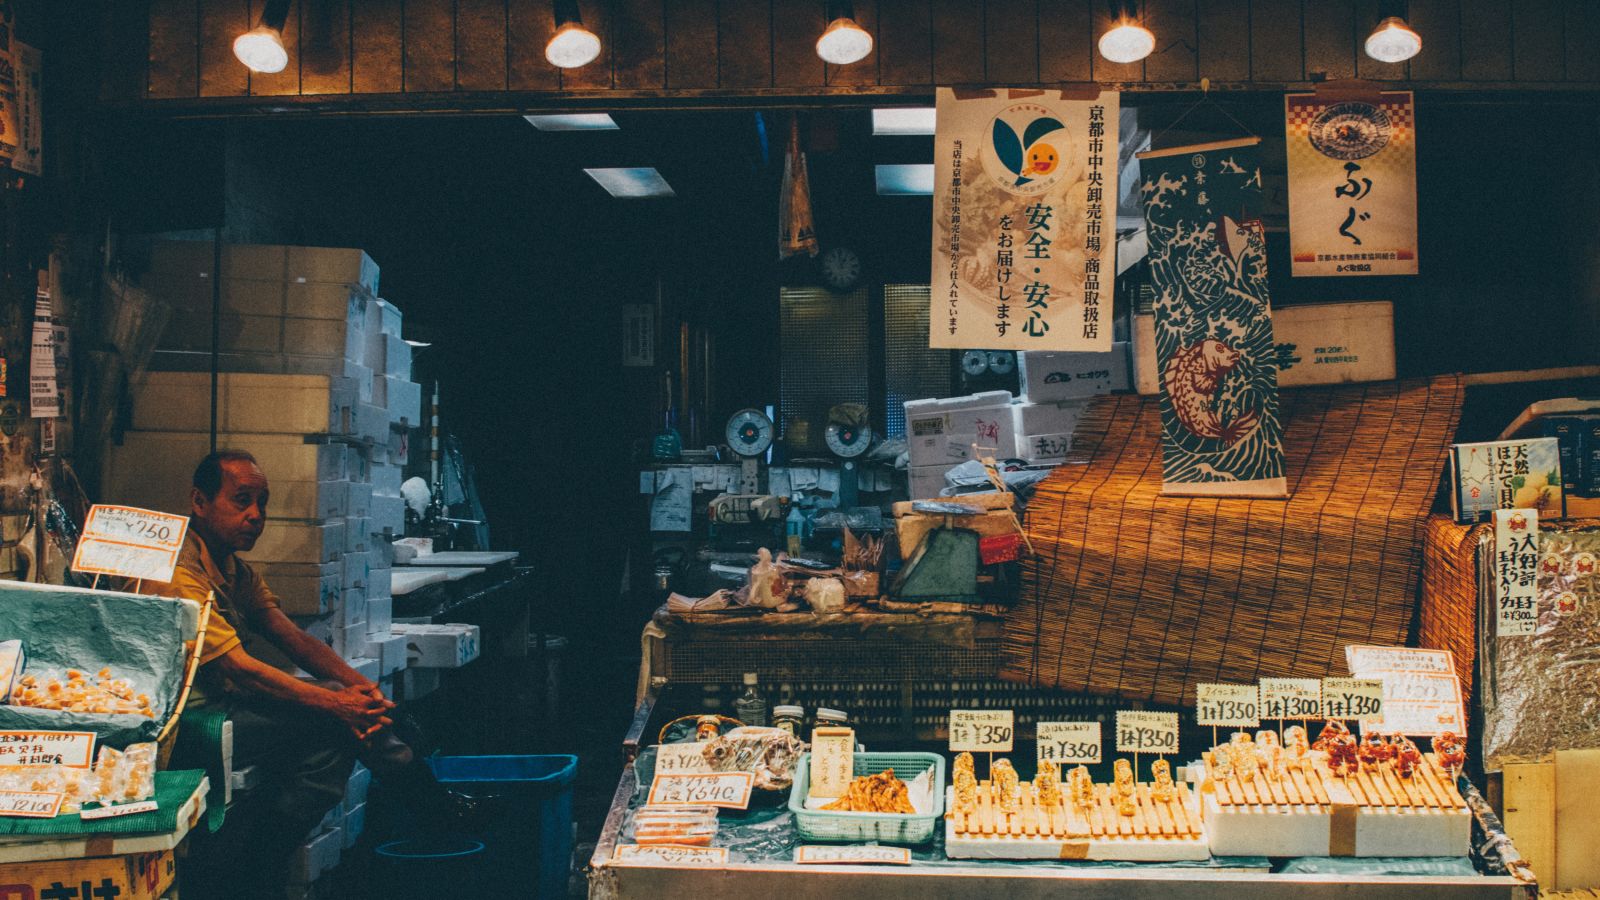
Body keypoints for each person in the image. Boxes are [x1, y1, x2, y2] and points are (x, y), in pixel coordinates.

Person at [148, 450, 465, 890]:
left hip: (226, 703)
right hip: (187, 721)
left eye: (262, 503)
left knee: (343, 703)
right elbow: (241, 670)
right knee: (332, 725)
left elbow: (293, 638)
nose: (256, 515)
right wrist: (340, 705)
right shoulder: (175, 570)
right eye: (241, 500)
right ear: (199, 501)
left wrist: (367, 694)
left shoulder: (231, 567)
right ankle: (258, 870)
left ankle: (429, 802)